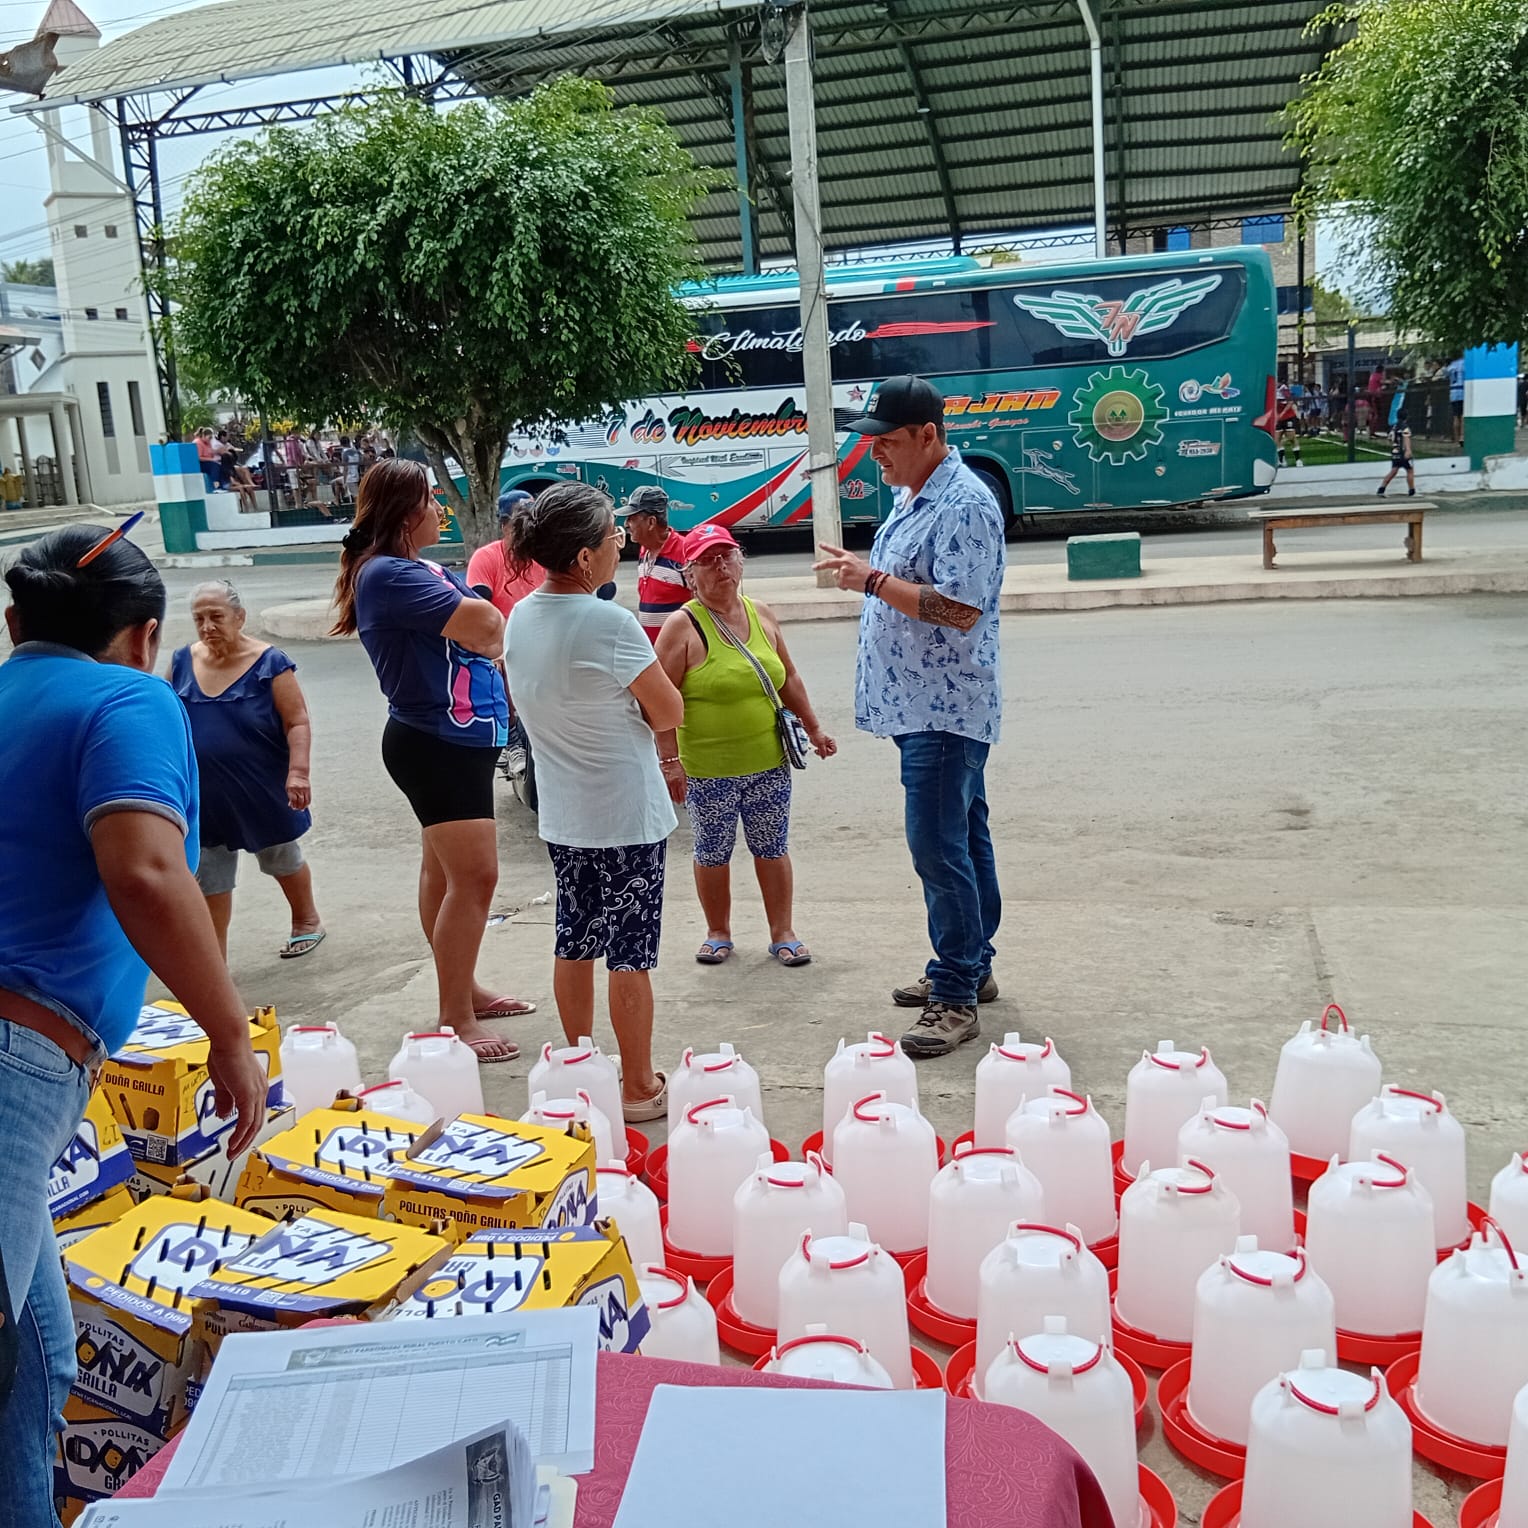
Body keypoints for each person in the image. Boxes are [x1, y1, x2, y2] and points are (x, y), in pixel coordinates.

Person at [0, 524, 267, 1528]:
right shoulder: (129, 698)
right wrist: (229, 1036)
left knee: (37, 1362)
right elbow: (146, 870)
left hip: (26, 1068)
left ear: (15, 623)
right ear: (147, 635)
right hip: (14, 1064)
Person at [814, 375, 1005, 1059]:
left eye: (887, 441)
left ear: (928, 435)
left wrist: (871, 580)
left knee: (937, 846)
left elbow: (959, 609)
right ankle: (972, 965)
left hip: (945, 709)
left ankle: (954, 994)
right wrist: (872, 575)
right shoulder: (914, 494)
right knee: (963, 837)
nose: (875, 454)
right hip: (918, 704)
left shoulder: (966, 505)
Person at [332, 459, 532, 1063]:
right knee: (476, 878)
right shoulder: (388, 575)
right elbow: (488, 623)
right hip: (437, 744)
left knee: (444, 876)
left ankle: (462, 990)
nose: (441, 508)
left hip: (456, 741)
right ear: (405, 512)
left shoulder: (420, 569)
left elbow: (487, 629)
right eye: (431, 499)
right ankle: (455, 1017)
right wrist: (478, 625)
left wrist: (480, 627)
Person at [501, 483, 682, 1122]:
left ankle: (580, 1067)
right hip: (626, 815)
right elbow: (668, 709)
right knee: (630, 953)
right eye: (612, 537)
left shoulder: (521, 616)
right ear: (583, 557)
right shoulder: (610, 623)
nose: (619, 546)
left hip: (565, 814)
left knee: (574, 939)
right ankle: (637, 1085)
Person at [653, 522, 836, 967]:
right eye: (707, 561)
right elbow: (658, 700)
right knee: (712, 852)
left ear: (740, 563)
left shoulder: (761, 613)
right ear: (690, 574)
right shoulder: (681, 626)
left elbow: (789, 678)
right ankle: (718, 932)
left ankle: (783, 932)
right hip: (707, 768)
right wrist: (670, 761)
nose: (721, 567)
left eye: (727, 557)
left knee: (772, 847)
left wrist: (814, 729)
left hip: (768, 761)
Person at [170, 580, 325, 960]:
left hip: (259, 786)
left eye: (216, 617)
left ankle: (306, 920)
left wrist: (298, 773)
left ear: (239, 617)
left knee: (280, 856)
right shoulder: (181, 662)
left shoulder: (270, 663)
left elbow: (297, 722)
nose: (207, 626)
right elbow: (166, 720)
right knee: (209, 876)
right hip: (204, 793)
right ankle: (214, 959)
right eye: (199, 619)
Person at [621, 486, 689, 641]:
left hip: (678, 648)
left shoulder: (685, 552)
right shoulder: (644, 550)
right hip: (653, 648)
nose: (626, 524)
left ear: (651, 522)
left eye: (631, 518)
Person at [466, 489, 546, 618]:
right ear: (504, 526)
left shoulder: (545, 556)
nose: (528, 530)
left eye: (532, 523)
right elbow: (477, 613)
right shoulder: (486, 557)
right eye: (520, 524)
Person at [1377, 413, 1416, 497]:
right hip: (1403, 452)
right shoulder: (1405, 427)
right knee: (1410, 470)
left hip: (1395, 451)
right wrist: (1408, 450)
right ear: (1406, 417)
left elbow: (1389, 438)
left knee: (1393, 471)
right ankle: (1412, 491)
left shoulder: (1393, 427)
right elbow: (1406, 438)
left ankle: (1381, 489)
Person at [194, 426, 227, 491]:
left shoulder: (208, 443)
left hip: (209, 461)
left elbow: (210, 452)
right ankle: (215, 484)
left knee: (222, 466)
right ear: (203, 436)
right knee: (214, 466)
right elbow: (198, 457)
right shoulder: (198, 443)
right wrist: (212, 459)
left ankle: (223, 484)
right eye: (209, 438)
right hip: (201, 463)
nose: (210, 440)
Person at [1448, 356, 1465, 443]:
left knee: (1455, 416)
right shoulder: (1464, 363)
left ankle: (1456, 438)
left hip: (1453, 392)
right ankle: (1462, 436)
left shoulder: (1450, 366)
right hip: (1462, 391)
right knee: (1462, 415)